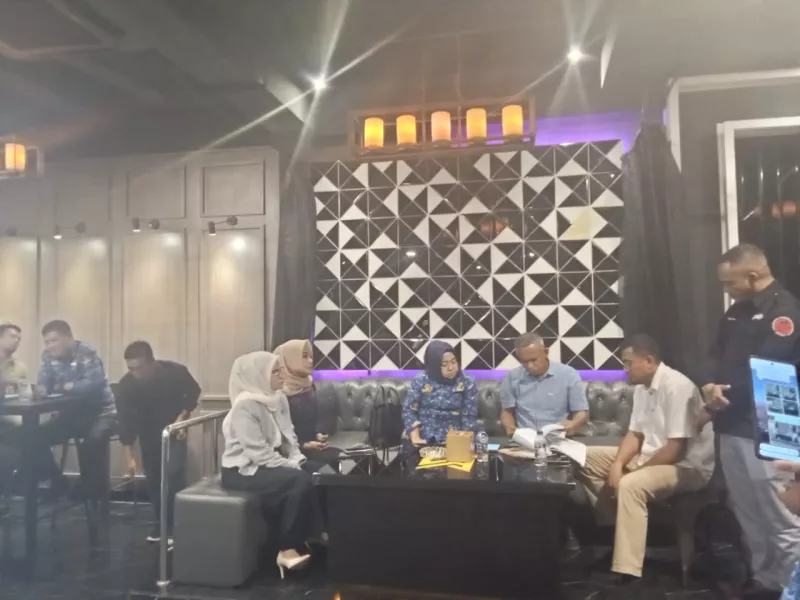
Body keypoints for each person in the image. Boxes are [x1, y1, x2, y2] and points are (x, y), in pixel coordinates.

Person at [700, 244, 800, 599]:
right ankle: (766, 580)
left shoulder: (784, 311)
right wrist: (710, 385)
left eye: (730, 283)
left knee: (782, 516)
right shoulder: (736, 312)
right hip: (731, 424)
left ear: (753, 276)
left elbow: (768, 369)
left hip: (771, 424)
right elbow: (716, 355)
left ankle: (792, 587)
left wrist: (719, 397)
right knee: (749, 512)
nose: (726, 290)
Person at [577, 334, 714, 590]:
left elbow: (675, 450)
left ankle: (628, 570)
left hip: (687, 467)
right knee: (582, 457)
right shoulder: (642, 388)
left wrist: (632, 471)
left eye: (628, 363)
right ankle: (618, 534)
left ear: (649, 361)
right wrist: (617, 464)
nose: (624, 369)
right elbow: (635, 434)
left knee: (630, 484)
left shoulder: (678, 387)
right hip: (651, 458)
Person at [220, 351, 324, 578]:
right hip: (243, 470)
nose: (282, 375)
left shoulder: (278, 398)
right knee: (299, 480)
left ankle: (316, 532)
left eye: (280, 370)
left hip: (270, 461)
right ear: (258, 375)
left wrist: (297, 459)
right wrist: (292, 467)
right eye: (275, 372)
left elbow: (289, 437)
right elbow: (258, 454)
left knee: (319, 472)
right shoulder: (245, 407)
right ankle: (286, 548)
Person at [116, 341, 200, 543]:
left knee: (173, 475)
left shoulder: (175, 372)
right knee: (154, 479)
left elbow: (193, 392)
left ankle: (177, 526)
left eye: (139, 368)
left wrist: (182, 418)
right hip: (148, 434)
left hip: (174, 429)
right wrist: (129, 456)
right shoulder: (126, 385)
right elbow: (125, 420)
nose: (135, 373)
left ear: (152, 362)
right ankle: (161, 524)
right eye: (131, 369)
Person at [34, 320, 116, 499]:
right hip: (71, 414)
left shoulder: (86, 353)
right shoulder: (48, 357)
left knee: (91, 443)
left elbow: (91, 385)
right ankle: (57, 481)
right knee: (35, 436)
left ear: (69, 338)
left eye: (54, 340)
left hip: (101, 413)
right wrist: (43, 389)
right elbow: (43, 384)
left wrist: (64, 387)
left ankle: (92, 495)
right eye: (47, 342)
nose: (50, 346)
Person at [500, 332, 589, 437]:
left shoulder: (568, 375)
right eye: (524, 362)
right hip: (525, 439)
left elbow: (581, 412)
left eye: (534, 360)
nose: (530, 366)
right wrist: (509, 426)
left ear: (546, 352)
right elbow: (507, 412)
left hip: (559, 437)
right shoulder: (511, 377)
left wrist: (574, 424)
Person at [402, 341, 478, 445]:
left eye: (453, 362)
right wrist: (416, 438)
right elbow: (409, 411)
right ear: (434, 365)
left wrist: (461, 441)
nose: (451, 368)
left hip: (455, 437)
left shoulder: (467, 381)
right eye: (444, 364)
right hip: (424, 437)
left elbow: (469, 416)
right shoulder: (421, 380)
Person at [276, 339, 339, 467]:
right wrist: (305, 445)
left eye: (311, 356)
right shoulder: (279, 393)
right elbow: (279, 439)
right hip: (291, 454)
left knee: (346, 458)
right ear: (290, 359)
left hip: (312, 447)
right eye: (304, 356)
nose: (310, 361)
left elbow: (307, 424)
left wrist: (317, 435)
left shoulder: (309, 385)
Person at [0, 321, 28, 394]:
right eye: (12, 336)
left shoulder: (20, 367)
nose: (16, 341)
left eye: (19, 339)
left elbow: (25, 393)